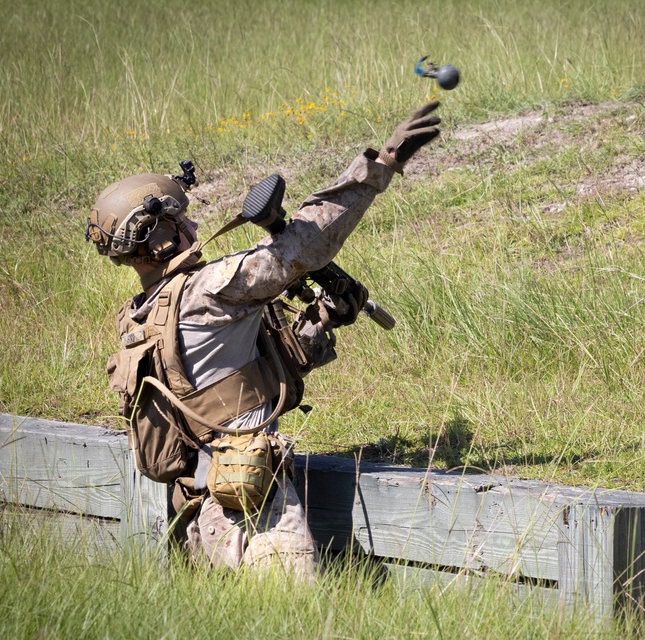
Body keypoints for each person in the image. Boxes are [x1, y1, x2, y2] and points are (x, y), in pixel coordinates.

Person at [85, 103, 441, 579]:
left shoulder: (139, 319)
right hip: (254, 507)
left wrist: (323, 320)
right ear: (163, 236)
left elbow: (234, 384)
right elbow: (304, 245)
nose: (193, 227)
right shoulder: (205, 293)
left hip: (199, 507)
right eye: (182, 220)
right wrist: (382, 164)